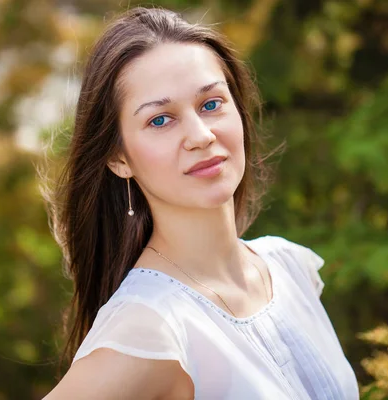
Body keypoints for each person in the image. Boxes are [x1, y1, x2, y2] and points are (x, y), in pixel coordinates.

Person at [43, 6, 359, 399]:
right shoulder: (149, 326)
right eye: (160, 119)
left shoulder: (290, 269)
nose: (201, 135)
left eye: (211, 104)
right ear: (118, 159)